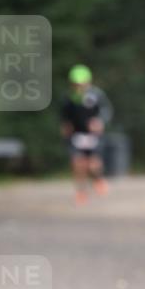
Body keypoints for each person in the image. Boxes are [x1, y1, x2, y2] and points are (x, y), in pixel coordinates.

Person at [60, 65, 113, 205]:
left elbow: (106, 111)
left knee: (93, 164)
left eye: (81, 84)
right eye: (75, 84)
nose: (78, 87)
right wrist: (66, 126)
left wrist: (99, 121)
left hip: (93, 135)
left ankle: (98, 179)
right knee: (78, 164)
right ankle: (81, 192)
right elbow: (65, 116)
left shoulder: (97, 95)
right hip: (77, 135)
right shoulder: (68, 97)